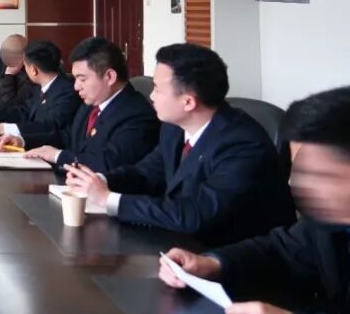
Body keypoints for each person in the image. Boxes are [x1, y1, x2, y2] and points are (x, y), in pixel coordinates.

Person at [160, 86, 350, 314]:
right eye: (299, 170)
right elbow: (281, 250)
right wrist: (213, 263)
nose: (298, 185)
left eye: (319, 174)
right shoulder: (328, 218)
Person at [65, 43, 295, 246]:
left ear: (188, 102)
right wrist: (100, 181)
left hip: (235, 261)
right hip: (182, 246)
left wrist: (108, 199)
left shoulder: (242, 145)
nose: (151, 96)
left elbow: (195, 214)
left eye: (157, 89)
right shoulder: (174, 128)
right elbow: (146, 173)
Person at [0, 37, 159, 173]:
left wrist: (58, 156)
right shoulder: (92, 104)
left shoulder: (137, 115)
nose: (76, 86)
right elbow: (68, 137)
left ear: (109, 77)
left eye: (82, 79)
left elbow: (109, 162)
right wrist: (23, 141)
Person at [0, 40, 80, 143]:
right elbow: (24, 112)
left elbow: (47, 126)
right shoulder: (41, 87)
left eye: (25, 66)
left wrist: (0, 129)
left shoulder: (67, 92)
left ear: (33, 70)